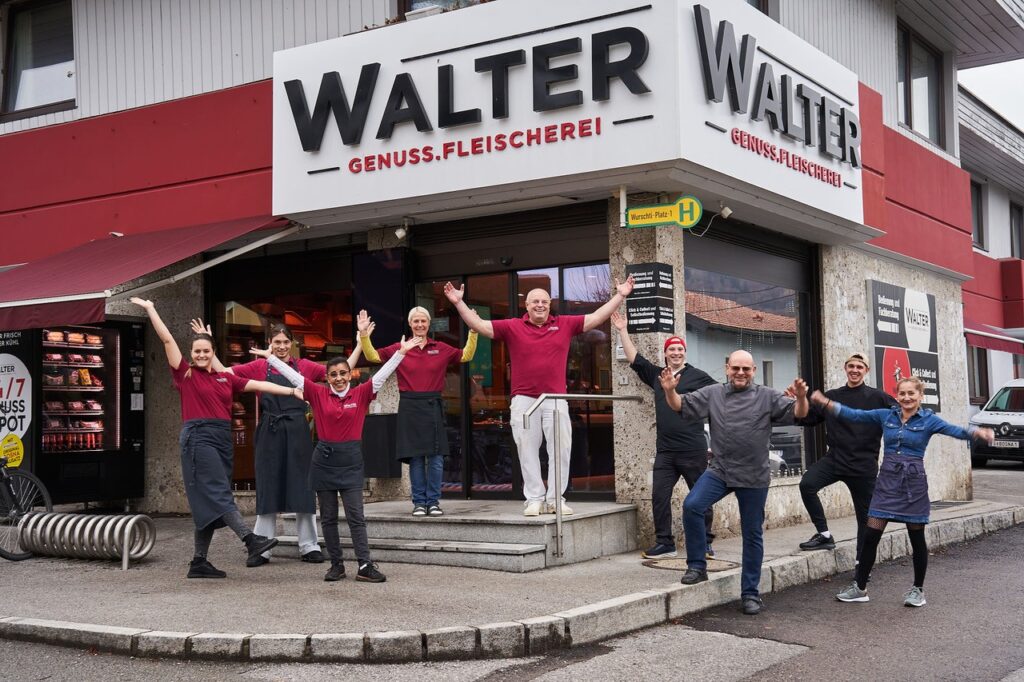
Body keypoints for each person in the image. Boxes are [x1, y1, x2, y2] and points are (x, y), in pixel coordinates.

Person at [131, 297, 299, 579]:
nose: (200, 355)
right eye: (196, 351)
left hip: (222, 439)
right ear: (191, 353)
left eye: (205, 350)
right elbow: (168, 341)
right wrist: (151, 310)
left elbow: (260, 384)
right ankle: (251, 540)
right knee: (220, 494)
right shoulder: (185, 374)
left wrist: (294, 390)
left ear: (213, 352)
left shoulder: (224, 377)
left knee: (205, 502)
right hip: (198, 439)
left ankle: (199, 562)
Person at [444, 276, 635, 516]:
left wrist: (620, 295)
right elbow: (481, 325)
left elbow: (597, 317)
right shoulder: (512, 326)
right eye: (535, 301)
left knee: (561, 450)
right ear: (527, 305)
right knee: (527, 449)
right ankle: (534, 498)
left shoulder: (564, 324)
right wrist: (458, 303)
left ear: (549, 304)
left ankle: (556, 499)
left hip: (555, 399)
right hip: (524, 399)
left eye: (544, 301)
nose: (540, 305)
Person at [811, 377, 994, 607]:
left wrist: (978, 433)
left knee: (916, 538)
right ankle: (860, 587)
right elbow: (854, 415)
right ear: (896, 396)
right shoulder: (886, 415)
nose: (907, 398)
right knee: (871, 535)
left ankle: (918, 590)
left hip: (913, 485)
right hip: (887, 482)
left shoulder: (929, 420)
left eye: (911, 394)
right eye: (902, 394)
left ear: (920, 396)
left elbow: (954, 430)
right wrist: (825, 402)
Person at [253, 333, 421, 582]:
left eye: (343, 373)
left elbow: (384, 374)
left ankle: (365, 565)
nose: (339, 378)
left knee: (356, 517)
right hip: (323, 461)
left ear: (349, 374)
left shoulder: (362, 393)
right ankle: (336, 565)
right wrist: (272, 360)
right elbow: (294, 377)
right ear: (327, 377)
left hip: (351, 461)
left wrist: (402, 352)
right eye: (334, 374)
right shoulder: (317, 394)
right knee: (329, 518)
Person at [660, 351, 809, 616]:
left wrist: (800, 397)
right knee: (693, 505)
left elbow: (799, 414)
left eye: (746, 369)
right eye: (736, 368)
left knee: (752, 533)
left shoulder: (767, 395)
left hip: (754, 476)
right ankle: (697, 566)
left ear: (754, 371)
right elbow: (679, 405)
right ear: (727, 368)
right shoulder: (713, 393)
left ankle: (750, 594)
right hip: (720, 470)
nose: (741, 373)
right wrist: (670, 391)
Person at [199, 322, 327, 567]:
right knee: (268, 486)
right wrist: (211, 348)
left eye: (285, 342)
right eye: (276, 342)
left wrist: (362, 339)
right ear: (270, 343)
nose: (281, 346)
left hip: (298, 430)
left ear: (292, 344)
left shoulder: (305, 367)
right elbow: (225, 373)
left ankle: (309, 545)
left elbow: (335, 373)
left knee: (303, 485)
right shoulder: (259, 365)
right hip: (269, 430)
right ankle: (263, 547)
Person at [611, 311, 717, 560]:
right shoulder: (658, 375)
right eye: (672, 350)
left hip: (693, 449)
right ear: (666, 353)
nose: (676, 353)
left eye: (680, 349)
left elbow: (722, 395)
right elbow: (635, 358)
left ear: (685, 352)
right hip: (666, 451)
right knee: (659, 495)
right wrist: (622, 330)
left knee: (701, 495)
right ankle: (664, 543)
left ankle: (705, 542)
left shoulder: (698, 376)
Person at [357, 308, 477, 517]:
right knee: (415, 458)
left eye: (423, 321)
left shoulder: (440, 348)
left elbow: (466, 355)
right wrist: (365, 336)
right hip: (410, 405)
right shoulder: (400, 348)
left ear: (428, 324)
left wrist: (474, 331)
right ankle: (419, 503)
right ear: (410, 325)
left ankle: (433, 502)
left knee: (436, 457)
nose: (420, 325)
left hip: (433, 405)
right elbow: (373, 356)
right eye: (416, 321)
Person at [795, 353, 896, 562]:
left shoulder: (879, 398)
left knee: (866, 520)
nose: (855, 370)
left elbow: (903, 416)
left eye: (860, 366)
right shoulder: (832, 396)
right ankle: (824, 535)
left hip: (864, 466)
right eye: (851, 366)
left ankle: (862, 564)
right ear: (845, 368)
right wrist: (800, 398)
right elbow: (806, 419)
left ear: (866, 371)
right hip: (835, 459)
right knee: (807, 484)